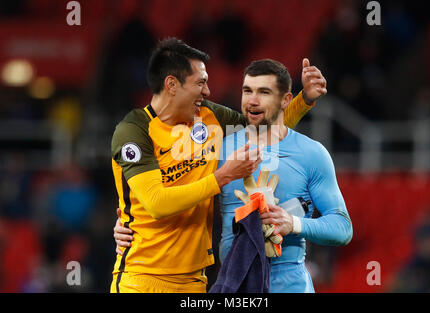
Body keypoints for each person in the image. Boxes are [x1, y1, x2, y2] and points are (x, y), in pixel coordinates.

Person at [110, 38, 326, 293]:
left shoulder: (210, 116)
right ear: (172, 85)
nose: (207, 91)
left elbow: (267, 132)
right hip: (141, 278)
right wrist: (223, 176)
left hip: (195, 282)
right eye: (200, 83)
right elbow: (157, 203)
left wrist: (304, 100)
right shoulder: (134, 131)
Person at [216, 59, 353, 292]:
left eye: (264, 92)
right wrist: (132, 227)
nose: (252, 100)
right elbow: (182, 198)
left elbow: (342, 228)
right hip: (235, 287)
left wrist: (293, 223)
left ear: (286, 100)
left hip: (290, 285)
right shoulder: (220, 150)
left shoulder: (311, 154)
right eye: (247, 91)